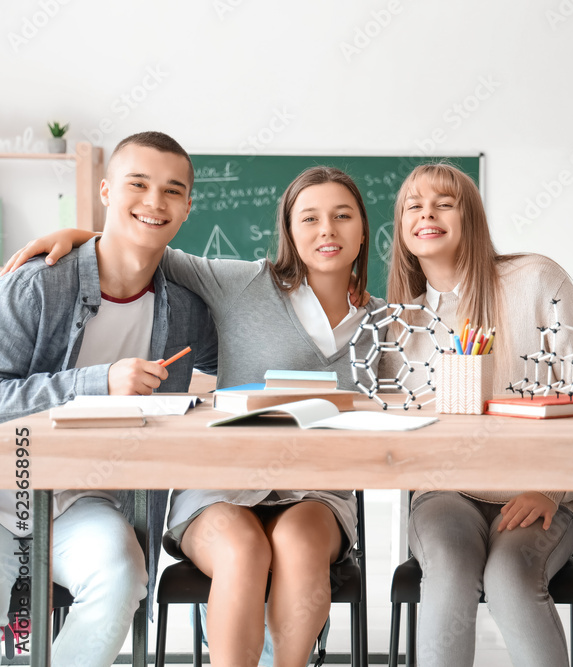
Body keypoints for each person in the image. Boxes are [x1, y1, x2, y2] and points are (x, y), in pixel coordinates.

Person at [5, 165, 385, 666]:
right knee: (243, 550)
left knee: (297, 540)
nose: (327, 230)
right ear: (289, 233)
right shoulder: (245, 283)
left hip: (315, 488)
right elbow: (143, 244)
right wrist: (81, 236)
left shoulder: (385, 323)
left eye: (342, 216)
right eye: (309, 218)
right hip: (222, 482)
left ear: (363, 230)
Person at [0, 131, 218, 666]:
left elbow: (224, 389)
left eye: (172, 191)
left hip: (87, 503)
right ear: (104, 190)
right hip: (6, 493)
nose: (153, 202)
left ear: (188, 207)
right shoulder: (36, 286)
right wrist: (97, 382)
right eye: (137, 184)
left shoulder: (189, 310)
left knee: (123, 574)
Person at [386, 163, 573, 666]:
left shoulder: (534, 278)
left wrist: (550, 489)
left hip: (538, 490)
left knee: (510, 577)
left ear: (471, 216)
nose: (427, 214)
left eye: (443, 203)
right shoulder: (403, 321)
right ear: (401, 228)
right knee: (448, 566)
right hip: (445, 491)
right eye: (413, 206)